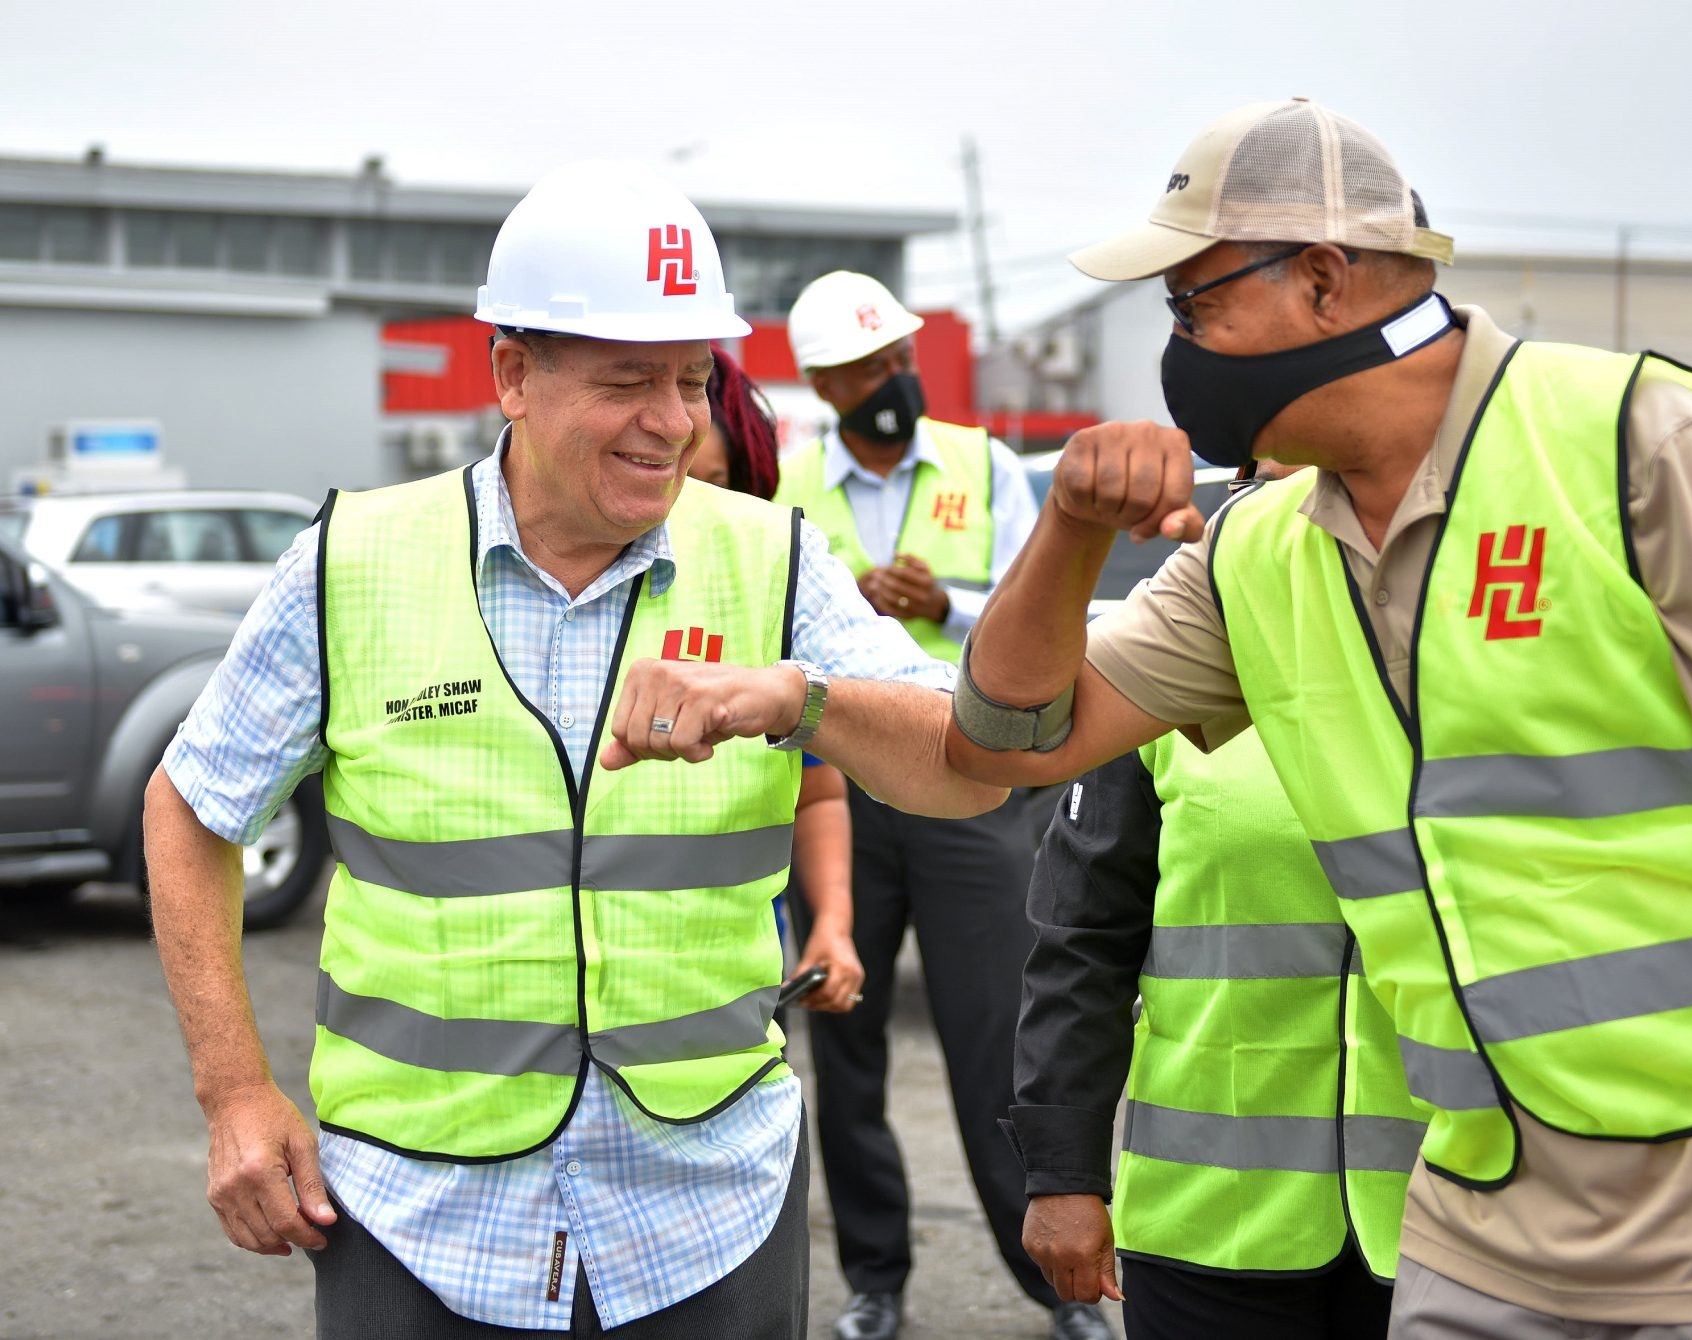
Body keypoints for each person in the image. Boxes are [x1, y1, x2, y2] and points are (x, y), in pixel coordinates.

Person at [944, 98, 1692, 1339]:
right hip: (1484, 1235)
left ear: (1323, 279)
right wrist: (1063, 528)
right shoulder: (1258, 549)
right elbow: (1010, 735)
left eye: (1195, 304)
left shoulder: (1638, 439)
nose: (1179, 347)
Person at [143, 160, 1004, 1340]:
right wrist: (234, 1090)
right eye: (626, 380)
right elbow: (190, 809)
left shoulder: (775, 561)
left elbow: (962, 763)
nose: (672, 419)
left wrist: (796, 697)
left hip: (707, 1213)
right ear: (511, 373)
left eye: (693, 379)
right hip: (417, 1211)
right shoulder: (352, 561)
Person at [771, 273, 1105, 1340]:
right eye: (864, 369)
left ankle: (1053, 1284)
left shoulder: (983, 463)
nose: (889, 381)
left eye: (897, 359)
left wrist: (943, 604)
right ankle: (874, 1278)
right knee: (848, 1048)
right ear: (823, 384)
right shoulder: (781, 488)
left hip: (973, 788)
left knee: (995, 1039)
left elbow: (1039, 605)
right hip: (836, 793)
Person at [1009, 561, 1423, 1338]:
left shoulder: (1467, 648)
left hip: (1449, 1211)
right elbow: (1082, 943)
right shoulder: (1158, 668)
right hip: (1207, 1223)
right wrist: (1063, 1173)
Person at [690, 348, 863, 1017]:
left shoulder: (769, 616)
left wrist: (833, 923)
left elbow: (817, 791)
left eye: (713, 483)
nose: (692, 506)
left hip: (734, 995)